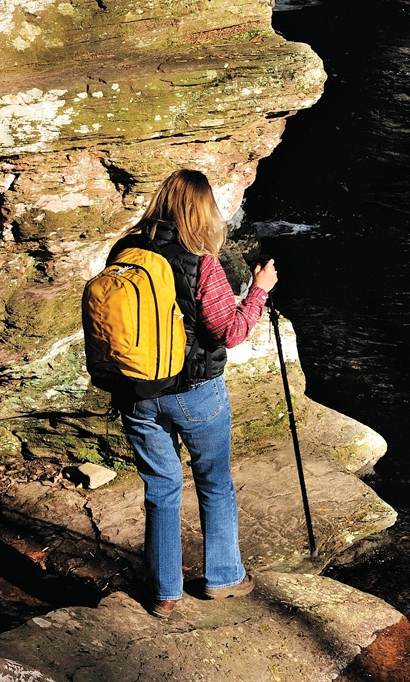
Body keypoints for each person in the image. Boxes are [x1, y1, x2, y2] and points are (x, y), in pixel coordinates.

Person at [108, 168, 277, 617]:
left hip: (136, 389)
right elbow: (230, 329)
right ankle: (223, 578)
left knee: (160, 487)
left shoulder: (124, 249)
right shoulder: (200, 259)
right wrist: (259, 292)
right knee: (214, 482)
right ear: (204, 210)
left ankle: (165, 592)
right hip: (194, 390)